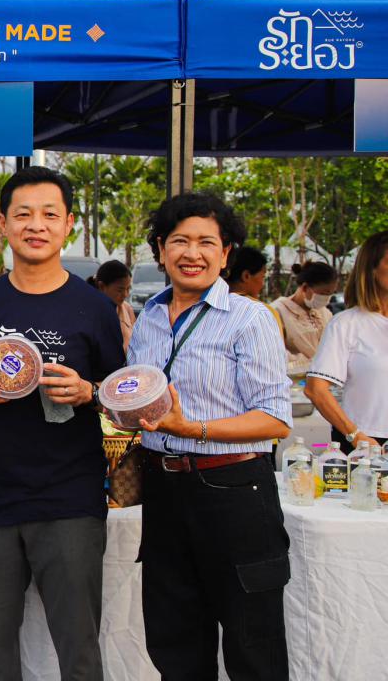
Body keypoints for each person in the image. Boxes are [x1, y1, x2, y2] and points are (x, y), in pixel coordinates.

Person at [0, 167, 125, 681]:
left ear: (68, 224)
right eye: (23, 214)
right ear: (3, 224)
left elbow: (119, 396)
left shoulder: (94, 308)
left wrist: (88, 392)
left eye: (49, 214)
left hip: (70, 501)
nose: (35, 225)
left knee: (79, 652)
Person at [129, 193, 291, 681]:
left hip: (234, 490)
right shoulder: (148, 318)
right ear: (161, 249)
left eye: (206, 242)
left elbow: (275, 419)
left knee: (252, 645)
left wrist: (191, 429)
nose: (192, 253)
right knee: (174, 640)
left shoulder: (250, 318)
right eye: (180, 241)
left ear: (225, 254)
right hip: (163, 490)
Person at [306, 232, 388, 450]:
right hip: (367, 443)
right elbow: (315, 389)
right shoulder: (346, 323)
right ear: (371, 269)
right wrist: (355, 436)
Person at [271, 260, 338, 371]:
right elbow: (275, 353)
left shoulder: (324, 313)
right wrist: (309, 363)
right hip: (294, 377)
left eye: (330, 293)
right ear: (305, 287)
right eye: (323, 293)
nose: (326, 299)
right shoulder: (277, 311)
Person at [224, 244, 285, 338]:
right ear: (246, 276)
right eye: (262, 277)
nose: (262, 284)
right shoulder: (263, 312)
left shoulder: (206, 306)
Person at [87, 259, 135, 351]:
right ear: (102, 286)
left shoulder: (127, 309)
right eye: (120, 290)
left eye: (128, 289)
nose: (125, 294)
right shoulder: (88, 312)